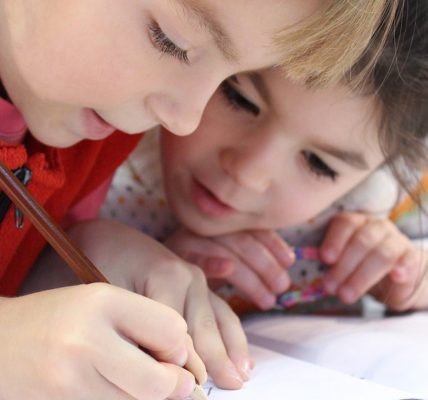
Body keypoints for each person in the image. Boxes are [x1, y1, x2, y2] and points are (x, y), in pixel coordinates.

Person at [0, 1, 400, 399]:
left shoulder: (97, 131)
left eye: (229, 77)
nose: (185, 119)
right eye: (171, 41)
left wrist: (62, 268)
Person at [99, 0, 428, 316]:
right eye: (239, 100)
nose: (247, 173)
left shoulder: (386, 199)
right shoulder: (102, 135)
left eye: (319, 164)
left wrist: (409, 277)